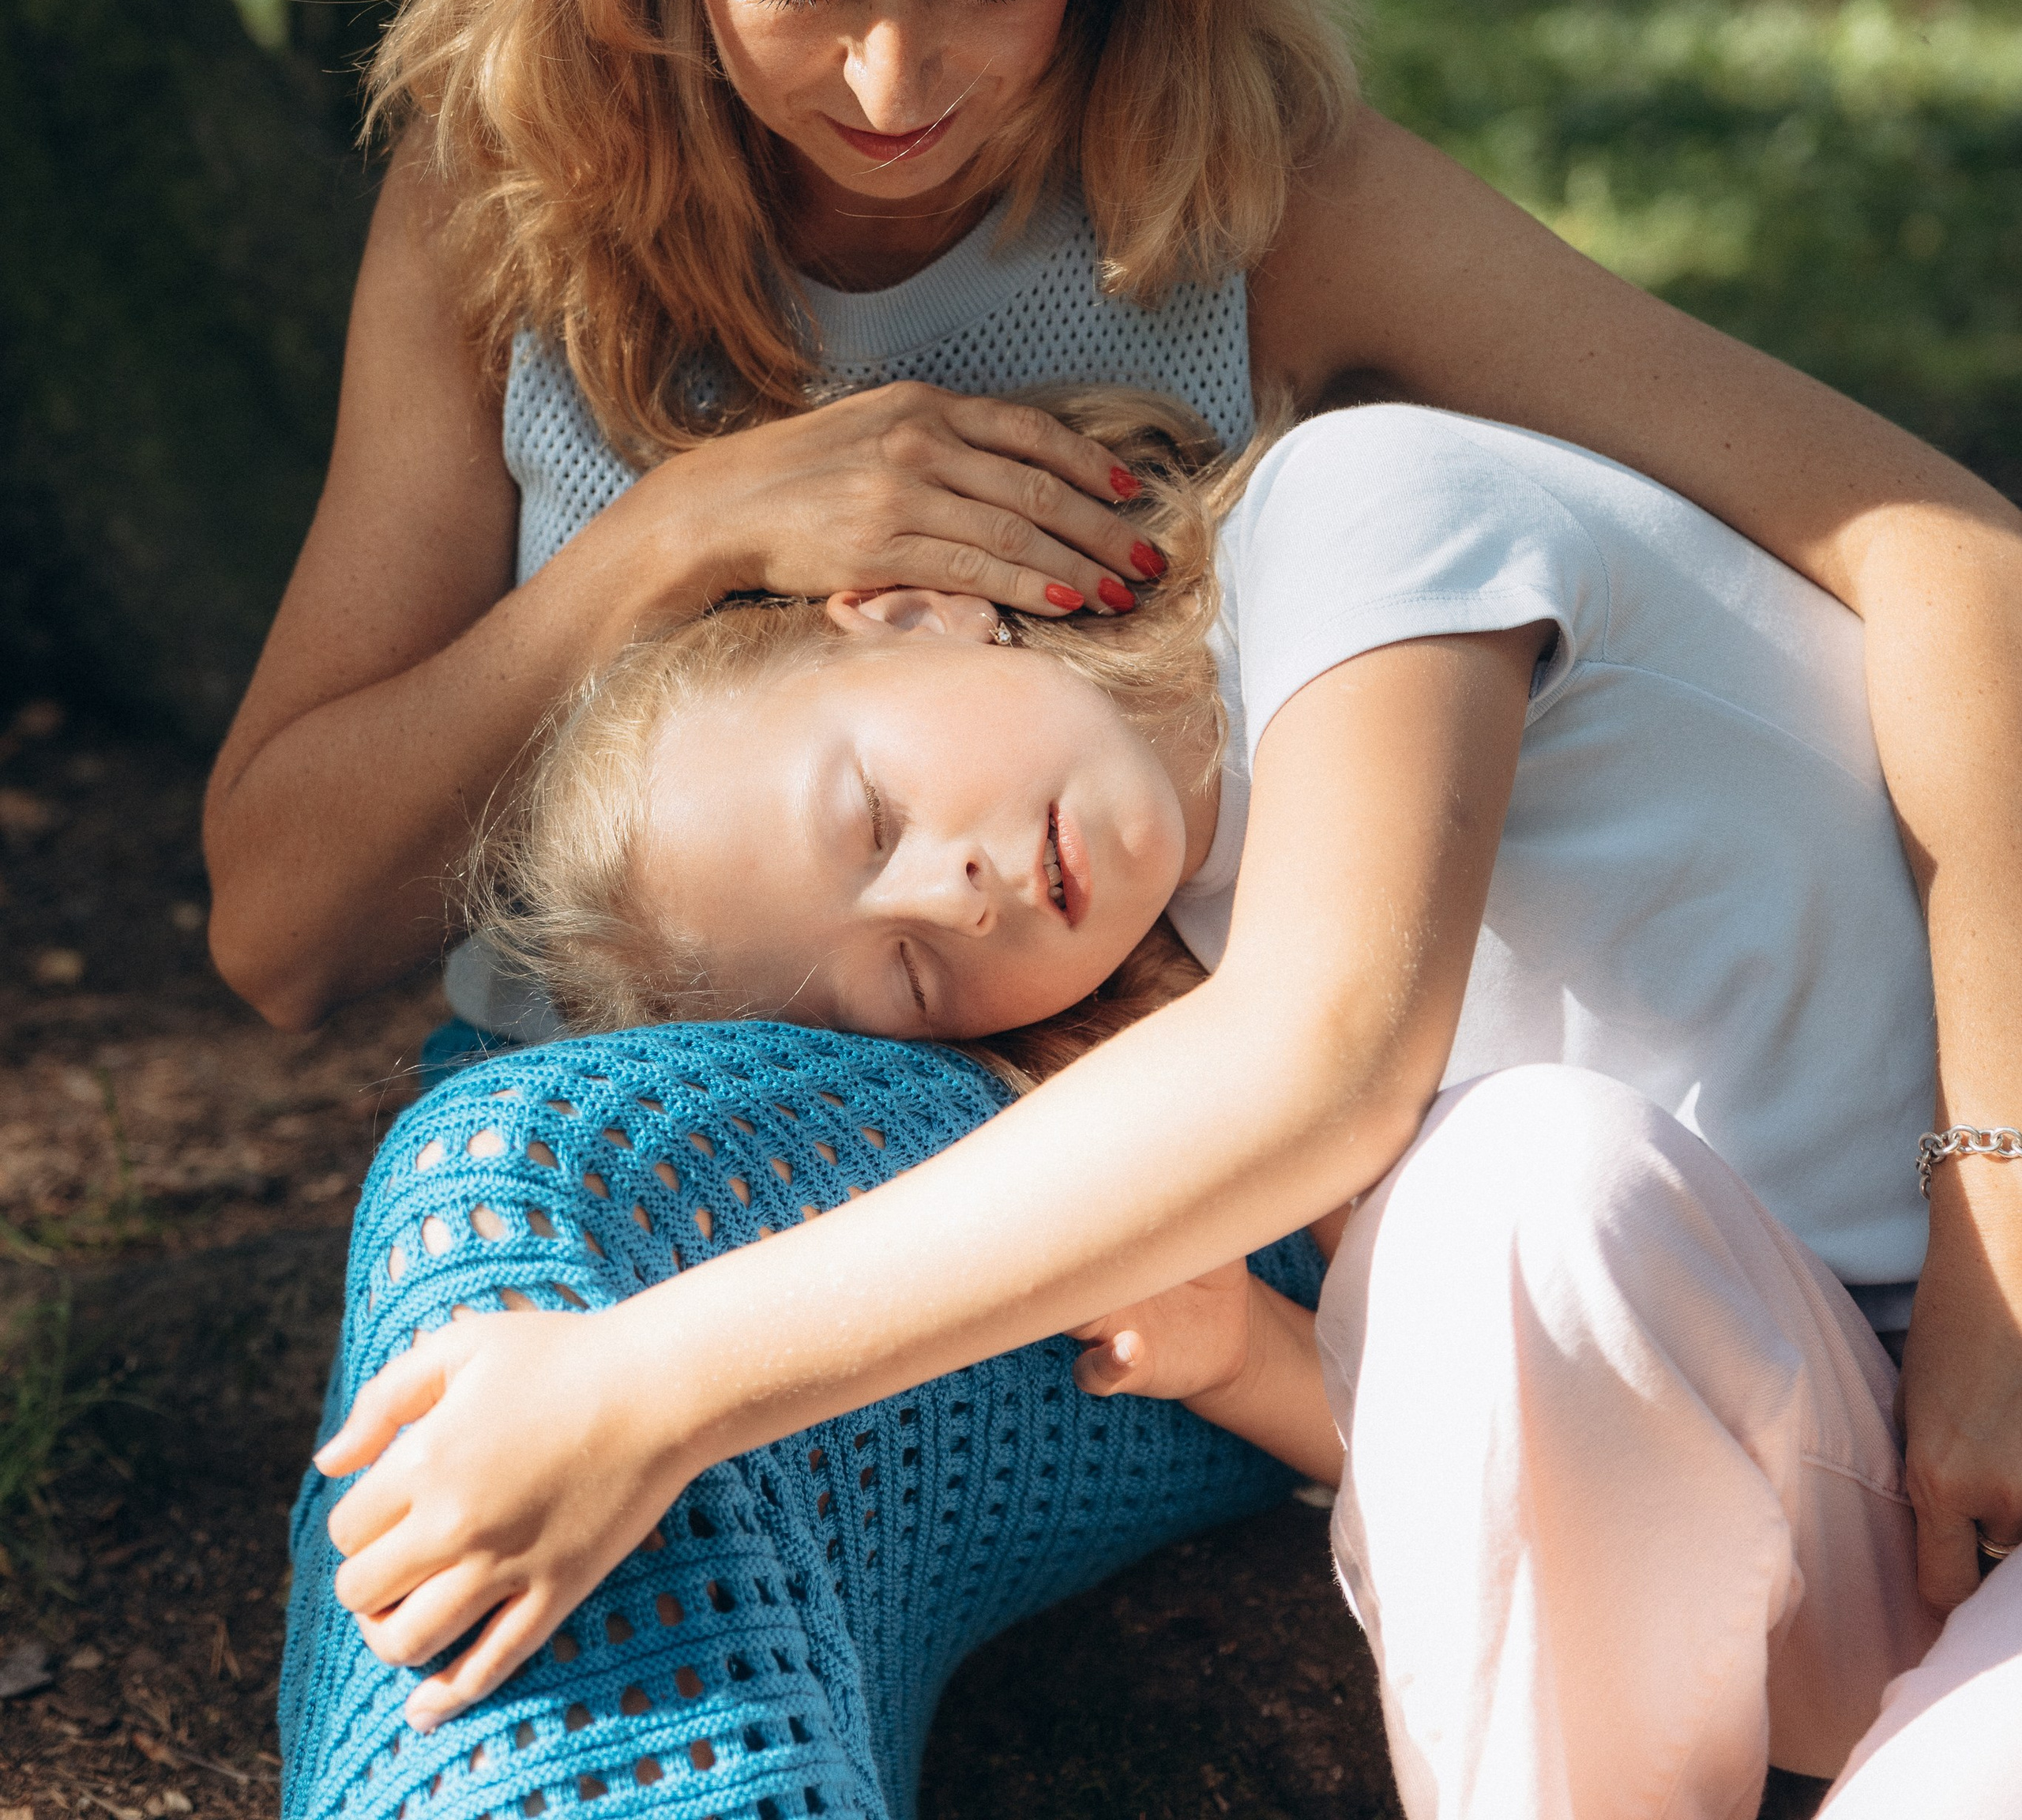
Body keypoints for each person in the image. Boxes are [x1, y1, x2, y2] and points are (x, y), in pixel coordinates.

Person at [203, 0, 2022, 1089]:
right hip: (599, 1104)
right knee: (505, 1243)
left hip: (1157, 1139)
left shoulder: (1257, 206)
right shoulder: (508, 211)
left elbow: (1939, 551)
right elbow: (281, 934)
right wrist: (679, 539)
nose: (893, 80)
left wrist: (1999, 1191)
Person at [309, 392, 2022, 1817]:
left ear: (909, 611)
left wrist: (648, 1380)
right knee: (1514, 1188)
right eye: (901, 974)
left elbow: (1320, 1063)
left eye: (870, 808)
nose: (954, 892)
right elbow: (1531, 1486)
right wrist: (1258, 1365)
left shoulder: (1352, 518)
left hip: (1975, 1356)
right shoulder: (1207, 979)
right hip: (1879, 1511)